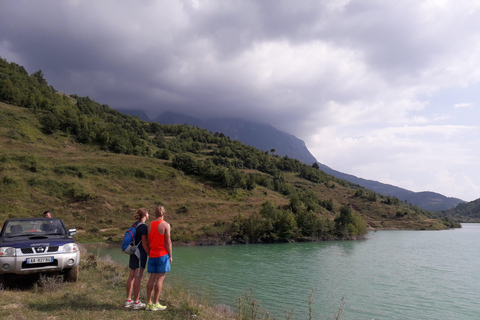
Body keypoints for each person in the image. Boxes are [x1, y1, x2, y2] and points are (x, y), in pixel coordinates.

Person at [145, 205, 172, 311]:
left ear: (155, 213)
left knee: (151, 278)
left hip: (152, 255)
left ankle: (148, 303)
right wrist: (170, 255)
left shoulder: (150, 225)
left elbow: (148, 241)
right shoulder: (165, 225)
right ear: (164, 213)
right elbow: (168, 242)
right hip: (162, 254)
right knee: (160, 279)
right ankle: (155, 303)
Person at [124, 208, 150, 309]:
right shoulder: (143, 227)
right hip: (140, 254)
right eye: (148, 213)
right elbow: (144, 243)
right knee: (138, 277)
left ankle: (128, 300)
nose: (148, 215)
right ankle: (136, 302)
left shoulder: (134, 224)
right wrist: (149, 254)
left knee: (131, 276)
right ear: (145, 215)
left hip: (132, 251)